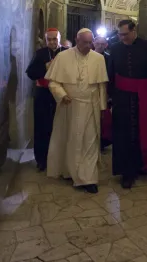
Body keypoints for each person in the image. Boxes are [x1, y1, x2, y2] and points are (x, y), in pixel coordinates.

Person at [45, 28, 108, 193]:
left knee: (90, 142)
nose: (89, 46)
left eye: (91, 42)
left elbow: (102, 85)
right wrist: (62, 95)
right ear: (77, 40)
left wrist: (102, 108)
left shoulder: (99, 58)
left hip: (91, 107)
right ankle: (69, 172)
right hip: (70, 107)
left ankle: (89, 178)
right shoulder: (62, 57)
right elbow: (53, 83)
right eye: (85, 42)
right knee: (71, 140)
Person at [108, 19, 147, 189]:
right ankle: (126, 172)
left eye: (125, 34)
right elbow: (111, 73)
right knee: (124, 135)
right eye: (120, 34)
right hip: (122, 99)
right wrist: (110, 96)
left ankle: (143, 165)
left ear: (134, 31)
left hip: (145, 97)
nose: (122, 37)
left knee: (143, 131)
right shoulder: (115, 48)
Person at [25, 28, 66, 172]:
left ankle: (61, 158)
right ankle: (42, 159)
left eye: (55, 39)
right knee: (42, 126)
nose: (52, 42)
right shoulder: (40, 54)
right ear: (45, 40)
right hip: (43, 94)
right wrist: (45, 68)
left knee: (60, 126)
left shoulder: (67, 52)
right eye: (49, 39)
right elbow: (30, 73)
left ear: (60, 38)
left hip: (62, 95)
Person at [94, 35, 112, 151]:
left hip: (104, 91)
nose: (100, 46)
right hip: (91, 91)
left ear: (106, 45)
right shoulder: (88, 56)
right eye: (98, 43)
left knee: (103, 118)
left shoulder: (109, 58)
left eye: (103, 44)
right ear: (94, 43)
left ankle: (102, 142)